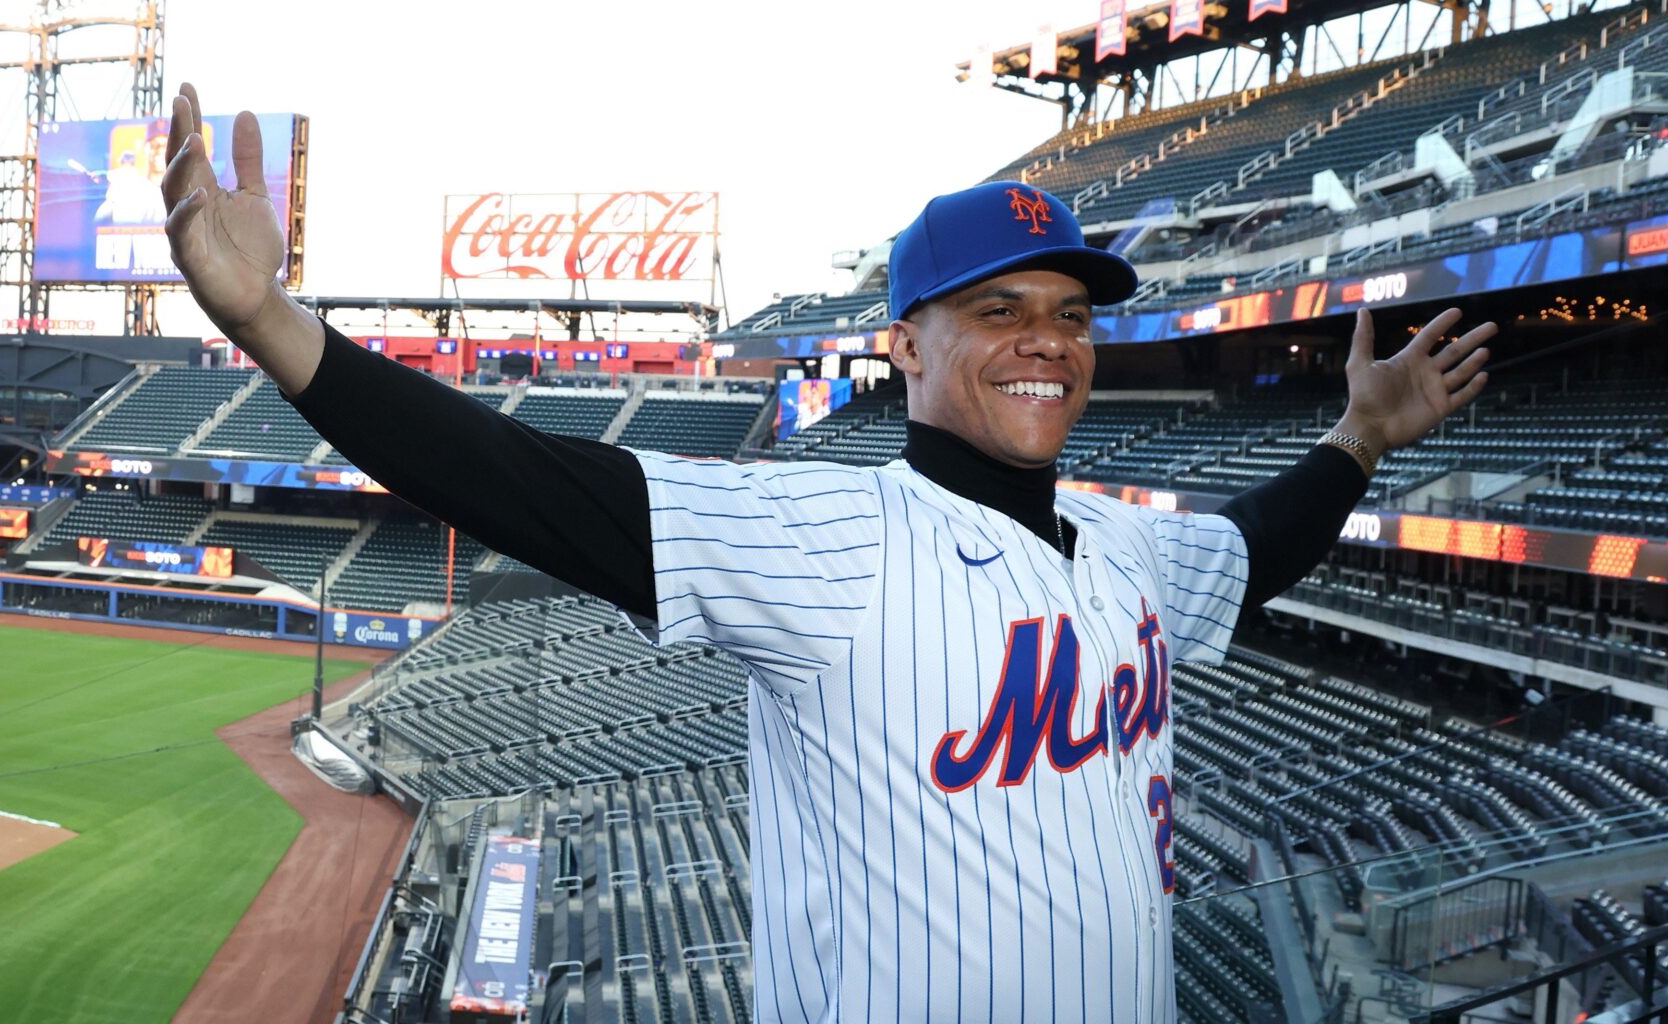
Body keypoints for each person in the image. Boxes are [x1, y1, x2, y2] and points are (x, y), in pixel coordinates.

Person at [160, 83, 1493, 1022]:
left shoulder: (1130, 557)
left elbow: (1257, 554)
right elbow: (532, 487)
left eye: (1071, 314)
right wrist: (280, 326)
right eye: (998, 310)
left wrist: (1361, 441)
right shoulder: (834, 540)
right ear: (906, 345)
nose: (1048, 339)